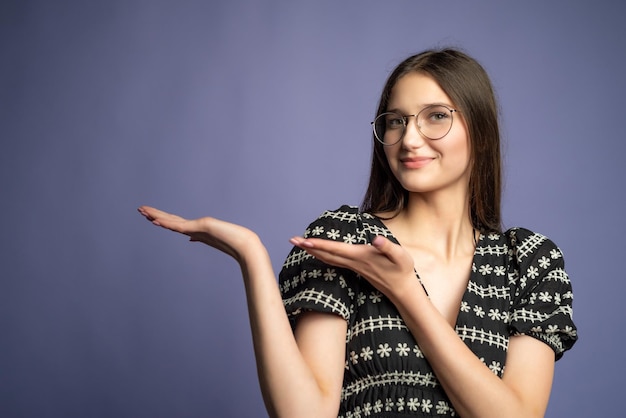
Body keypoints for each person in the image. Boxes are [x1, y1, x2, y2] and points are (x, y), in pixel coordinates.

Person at [138, 48, 577, 418]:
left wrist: (406, 292)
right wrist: (252, 256)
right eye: (396, 121)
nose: (409, 139)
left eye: (436, 116)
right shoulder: (345, 239)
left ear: (480, 133)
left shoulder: (528, 261)